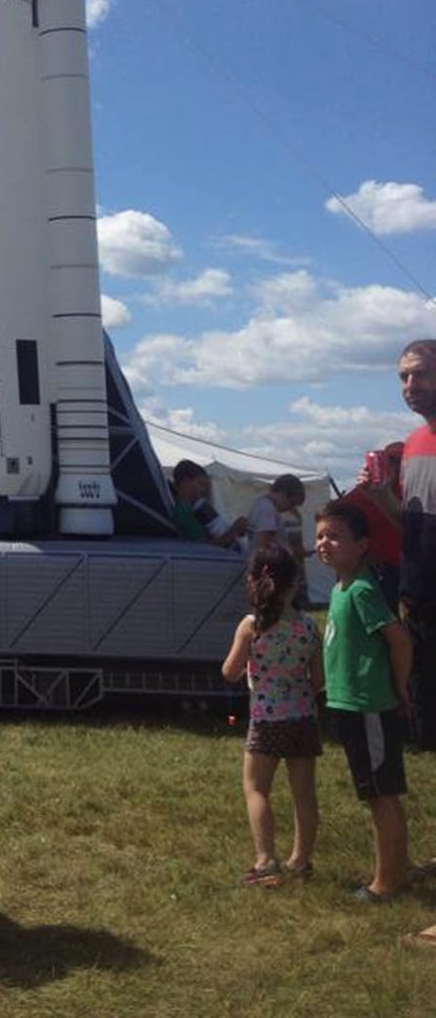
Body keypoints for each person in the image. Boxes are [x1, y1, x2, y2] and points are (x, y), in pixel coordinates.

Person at [315, 499, 412, 902]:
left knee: (379, 794)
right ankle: (396, 871)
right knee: (377, 791)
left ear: (362, 545)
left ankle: (386, 883)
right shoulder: (340, 588)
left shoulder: (361, 590)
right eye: (320, 535)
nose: (324, 543)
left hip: (368, 704)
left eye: (335, 536)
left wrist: (399, 686)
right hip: (349, 705)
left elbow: (400, 640)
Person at [221, 544, 323, 884]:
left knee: (256, 789)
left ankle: (266, 860)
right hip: (303, 718)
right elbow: (319, 680)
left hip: (267, 719)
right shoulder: (309, 627)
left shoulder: (251, 626)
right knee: (304, 793)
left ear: (254, 583)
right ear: (295, 584)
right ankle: (301, 861)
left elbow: (230, 672)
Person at [398, 340, 436, 752]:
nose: (411, 384)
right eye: (404, 377)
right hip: (418, 587)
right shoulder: (412, 442)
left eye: (421, 373)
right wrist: (378, 497)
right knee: (422, 672)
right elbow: (409, 519)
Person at [346, 442, 405, 611]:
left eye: (397, 460)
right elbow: (334, 517)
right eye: (388, 460)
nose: (393, 465)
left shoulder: (410, 492)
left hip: (403, 569)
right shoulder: (365, 492)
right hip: (370, 567)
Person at [170, 459, 248, 549]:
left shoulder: (192, 508)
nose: (204, 489)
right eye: (200, 483)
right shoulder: (185, 511)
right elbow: (203, 548)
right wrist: (234, 530)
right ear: (186, 482)